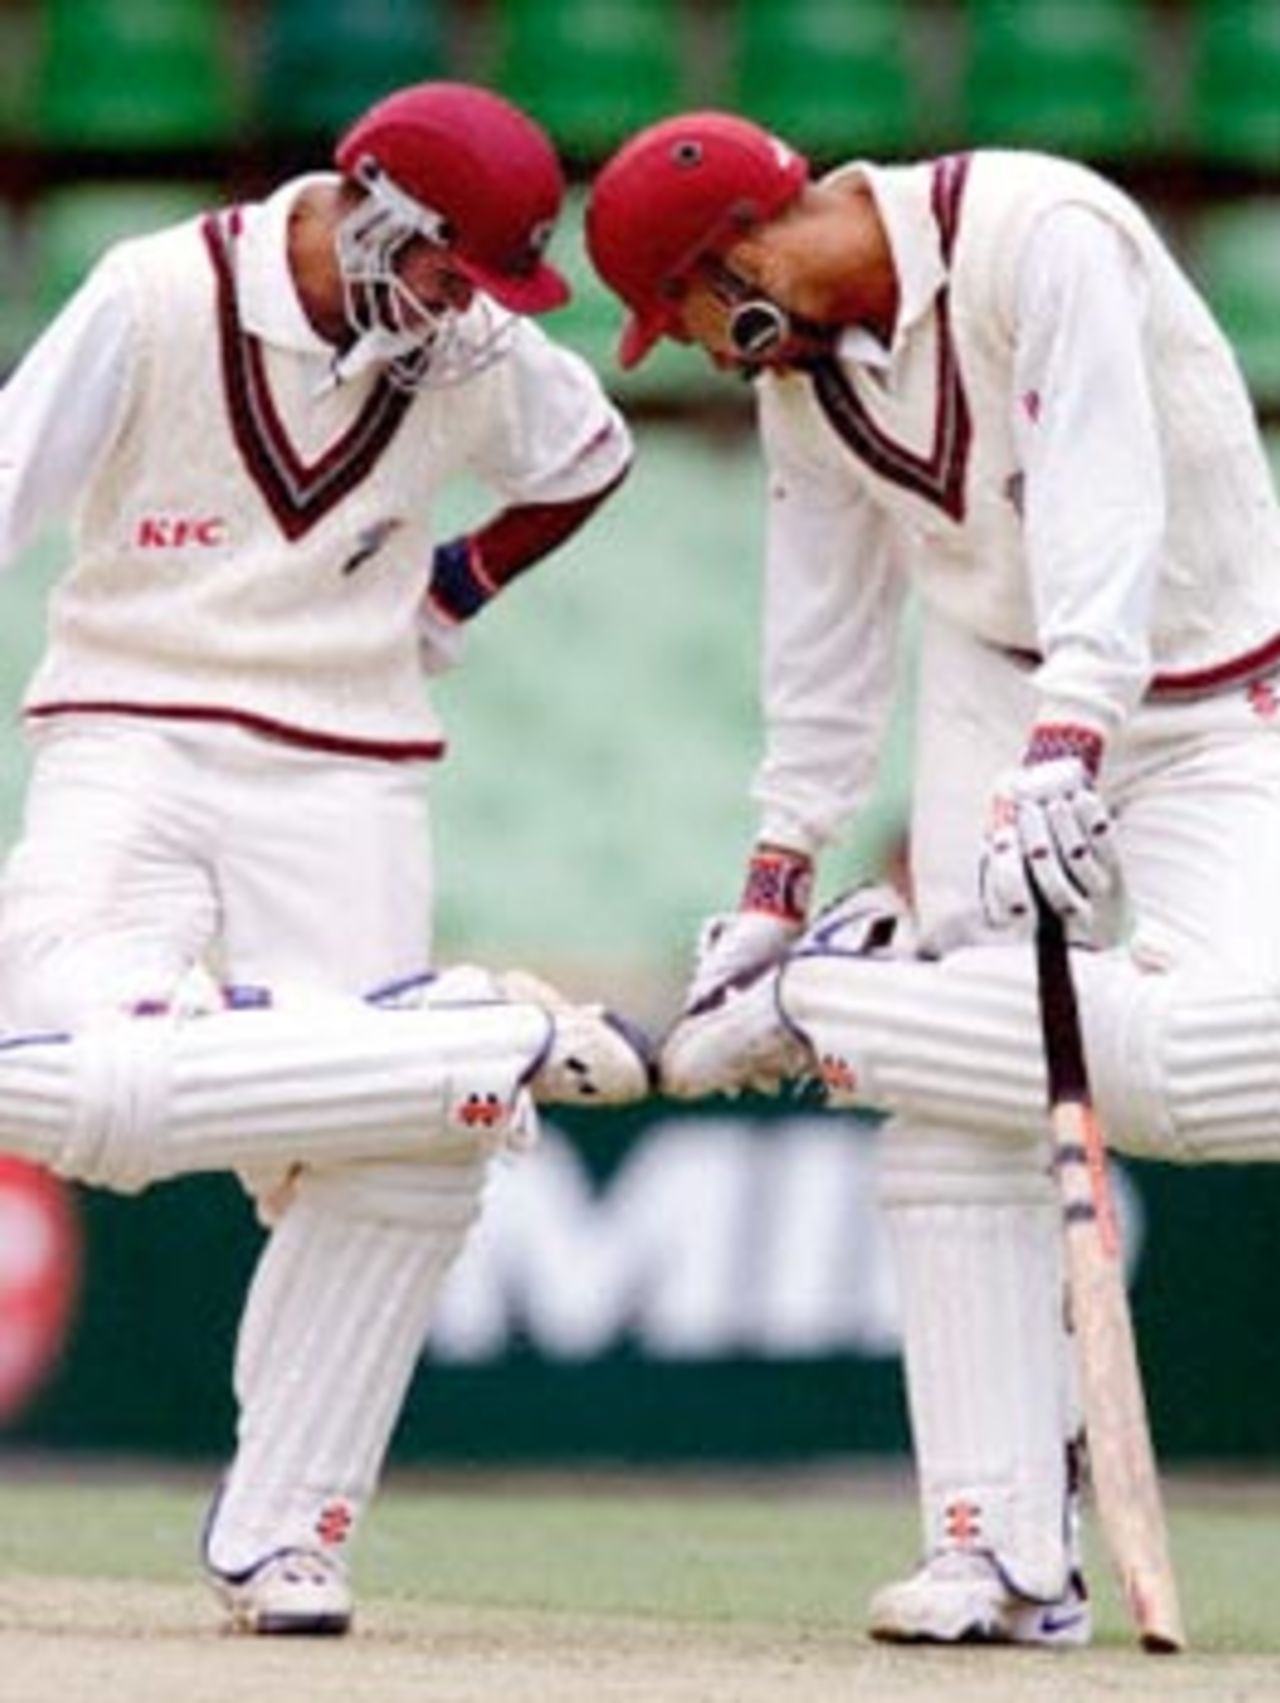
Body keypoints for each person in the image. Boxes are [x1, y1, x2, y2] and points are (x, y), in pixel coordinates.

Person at [585, 114, 1280, 1646]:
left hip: (1211, 698)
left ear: (733, 260)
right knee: (951, 1116)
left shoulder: (1046, 236)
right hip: (997, 690)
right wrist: (776, 874)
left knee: (1236, 1063)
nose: (699, 352)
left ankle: (846, 996)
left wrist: (1074, 738)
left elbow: (1109, 491)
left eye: (681, 313)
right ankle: (1003, 1551)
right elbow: (821, 630)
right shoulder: (806, 381)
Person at [0, 80, 643, 1634]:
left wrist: (455, 591)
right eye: (443, 271)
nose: (461, 313)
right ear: (373, 210)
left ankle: (288, 1528)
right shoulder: (155, 294)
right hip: (128, 725)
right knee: (75, 1060)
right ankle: (455, 1028)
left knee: (413, 1147)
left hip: (350, 764)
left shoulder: (471, 346)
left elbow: (586, 450)